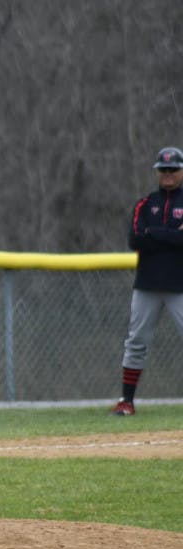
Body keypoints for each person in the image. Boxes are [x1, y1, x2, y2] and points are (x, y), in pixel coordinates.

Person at [111, 147, 183, 416]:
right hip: (148, 285)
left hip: (179, 284)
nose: (168, 174)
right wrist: (171, 236)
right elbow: (135, 240)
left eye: (173, 169)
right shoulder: (145, 203)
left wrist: (154, 234)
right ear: (156, 172)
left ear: (181, 171)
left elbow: (152, 238)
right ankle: (126, 401)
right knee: (136, 341)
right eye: (163, 169)